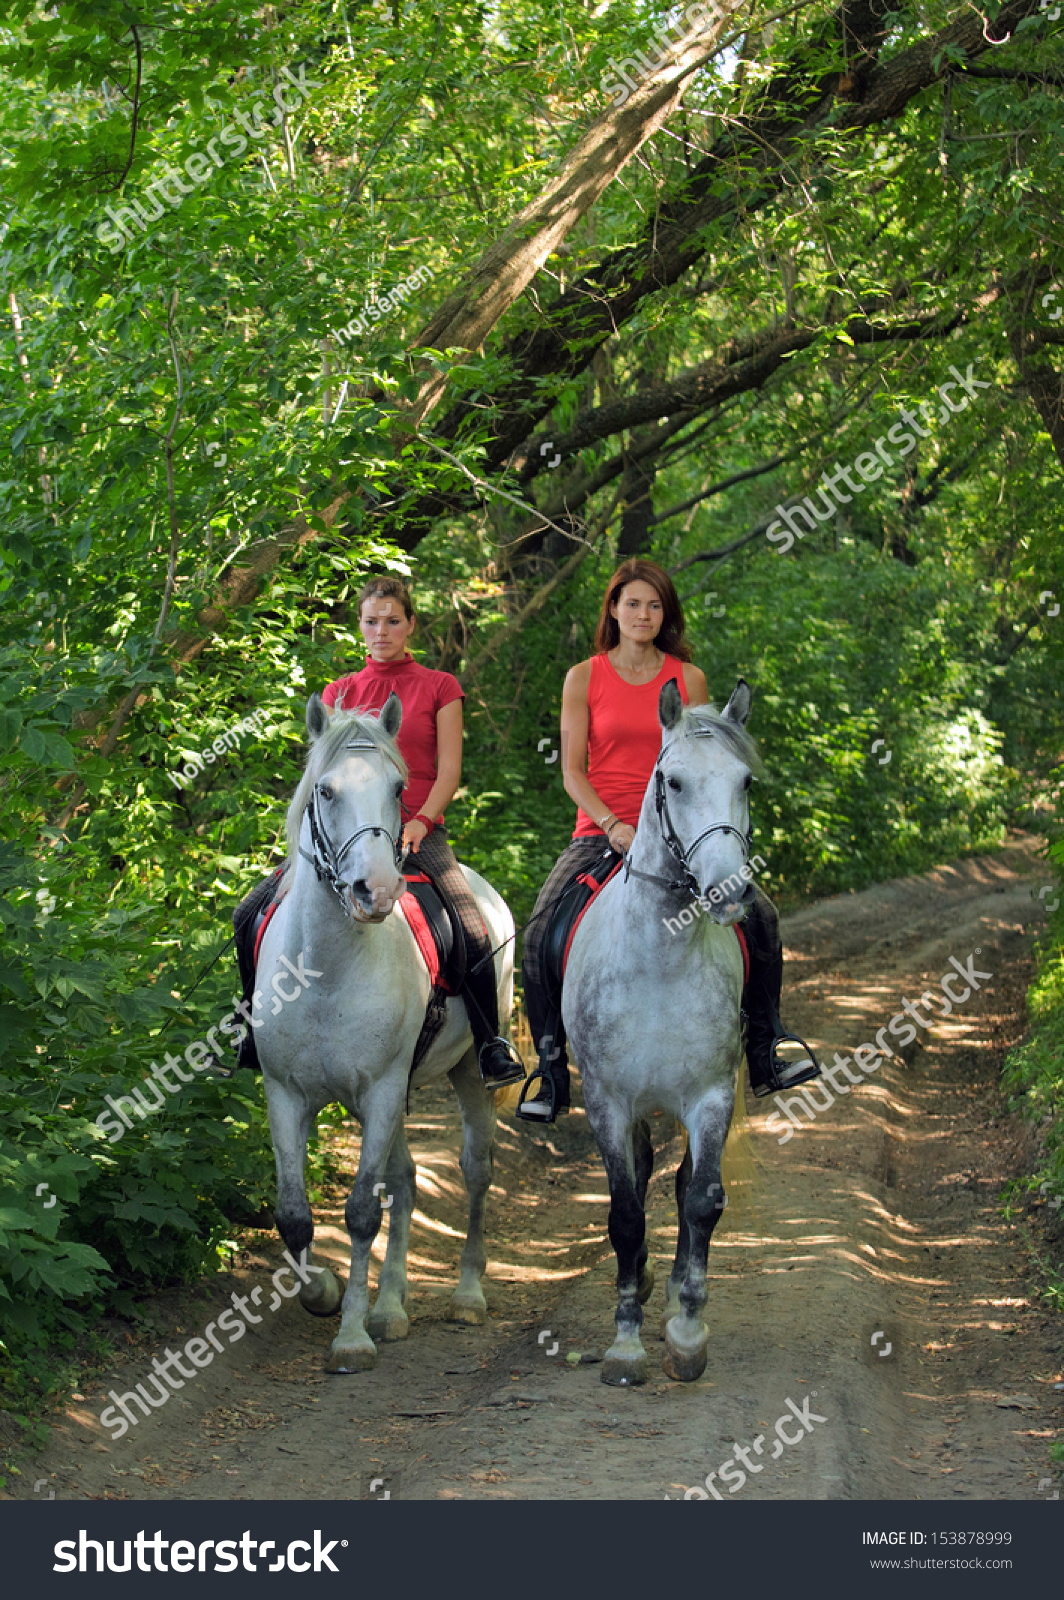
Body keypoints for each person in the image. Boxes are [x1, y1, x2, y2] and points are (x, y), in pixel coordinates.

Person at [518, 558, 822, 1122]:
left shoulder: (689, 678)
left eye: (654, 605)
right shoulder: (583, 677)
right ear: (613, 609)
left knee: (761, 918)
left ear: (666, 615)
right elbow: (572, 772)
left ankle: (766, 1048)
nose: (643, 614)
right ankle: (551, 1070)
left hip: (682, 837)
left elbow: (705, 763)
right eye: (632, 603)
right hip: (602, 833)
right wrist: (613, 824)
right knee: (538, 936)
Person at [231, 575, 525, 1090]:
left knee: (474, 928)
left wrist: (421, 819)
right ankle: (249, 1027)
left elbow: (450, 770)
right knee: (249, 912)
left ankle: (489, 1043)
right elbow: (323, 780)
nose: (381, 630)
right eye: (372, 621)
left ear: (410, 624)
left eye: (393, 621)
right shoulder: (338, 693)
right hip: (344, 840)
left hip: (416, 830)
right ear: (360, 625)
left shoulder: (440, 687)